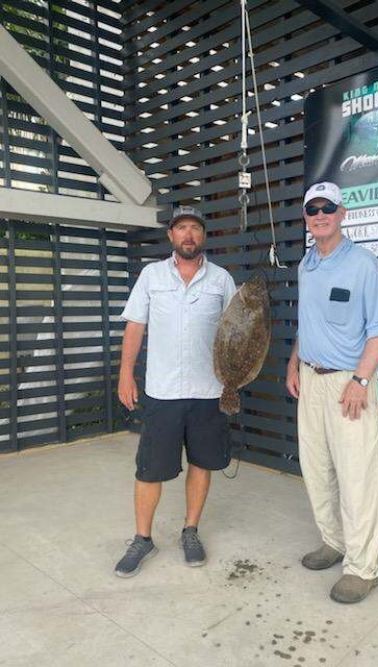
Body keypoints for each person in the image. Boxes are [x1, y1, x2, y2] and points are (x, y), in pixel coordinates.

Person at [286, 182, 378, 603]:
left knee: (357, 476)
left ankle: (363, 567)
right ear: (306, 218)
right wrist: (294, 361)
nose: (320, 214)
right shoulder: (305, 265)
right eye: (313, 209)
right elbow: (306, 323)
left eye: (327, 207)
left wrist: (361, 381)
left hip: (349, 382)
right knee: (317, 468)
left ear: (342, 213)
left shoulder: (363, 264)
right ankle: (333, 541)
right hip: (310, 380)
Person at [115, 205, 236, 577]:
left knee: (201, 463)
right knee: (149, 469)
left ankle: (190, 530)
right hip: (162, 391)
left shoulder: (221, 280)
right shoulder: (151, 276)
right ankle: (142, 538)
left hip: (208, 391)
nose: (188, 235)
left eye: (195, 228)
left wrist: (235, 378)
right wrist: (125, 374)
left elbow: (238, 333)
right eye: (181, 228)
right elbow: (135, 326)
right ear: (171, 235)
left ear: (203, 236)